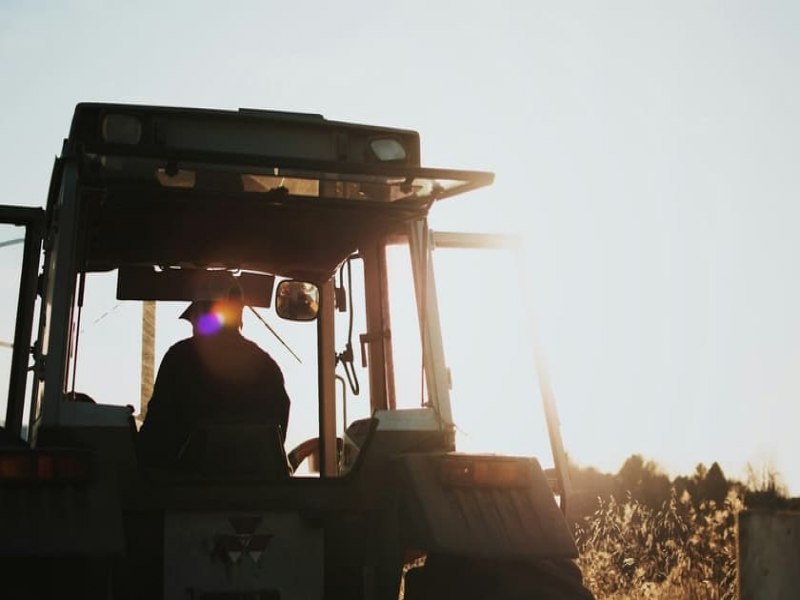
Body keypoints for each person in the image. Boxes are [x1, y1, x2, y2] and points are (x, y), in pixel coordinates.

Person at [137, 286, 291, 468]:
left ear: (204, 314)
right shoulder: (267, 367)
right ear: (239, 314)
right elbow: (275, 440)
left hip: (183, 491)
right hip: (259, 492)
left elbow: (155, 437)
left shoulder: (180, 359)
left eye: (194, 318)